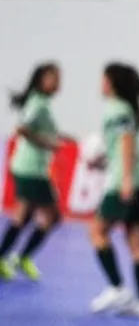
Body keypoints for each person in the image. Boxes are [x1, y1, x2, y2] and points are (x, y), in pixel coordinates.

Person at [88, 63, 139, 319]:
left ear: (111, 83)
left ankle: (117, 287)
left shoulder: (116, 109)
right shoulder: (128, 110)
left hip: (126, 182)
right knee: (137, 243)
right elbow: (126, 148)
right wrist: (103, 162)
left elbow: (127, 142)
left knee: (97, 232)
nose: (100, 84)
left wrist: (126, 180)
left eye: (103, 79)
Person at [0, 62, 63, 281]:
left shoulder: (41, 102)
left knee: (24, 215)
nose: (58, 82)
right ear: (40, 80)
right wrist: (47, 144)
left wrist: (60, 137)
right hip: (31, 169)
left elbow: (39, 129)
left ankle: (10, 257)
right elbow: (22, 129)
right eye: (52, 77)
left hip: (29, 167)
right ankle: (21, 257)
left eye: (58, 77)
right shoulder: (38, 104)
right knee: (53, 216)